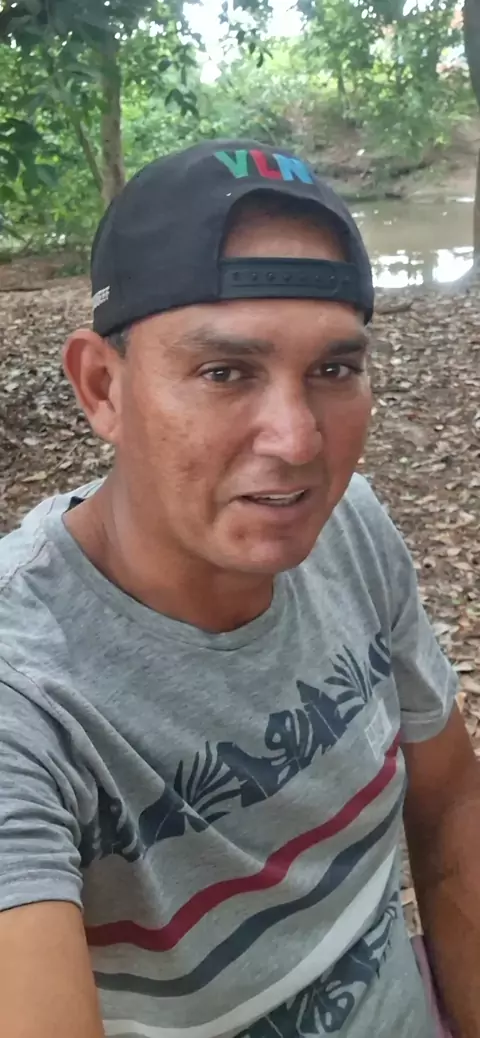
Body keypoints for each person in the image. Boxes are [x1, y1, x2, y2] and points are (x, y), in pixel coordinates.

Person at [0, 138, 478, 1038]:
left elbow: (452, 801)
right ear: (102, 388)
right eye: (225, 373)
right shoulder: (27, 692)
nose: (298, 442)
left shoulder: (351, 531)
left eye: (334, 370)